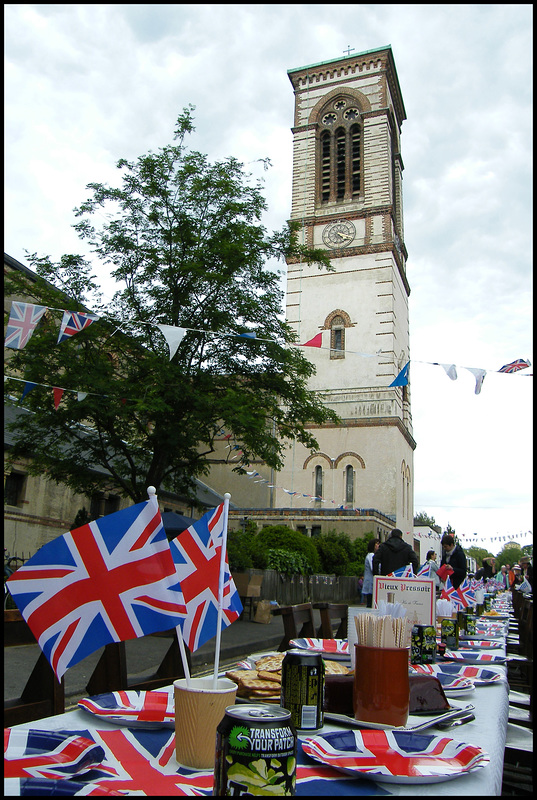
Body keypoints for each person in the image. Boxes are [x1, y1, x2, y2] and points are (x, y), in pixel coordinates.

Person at [361, 538, 379, 608]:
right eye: (377, 544)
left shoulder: (371, 555)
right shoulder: (371, 555)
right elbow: (373, 568)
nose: (378, 545)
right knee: (370, 603)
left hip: (370, 582)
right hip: (370, 582)